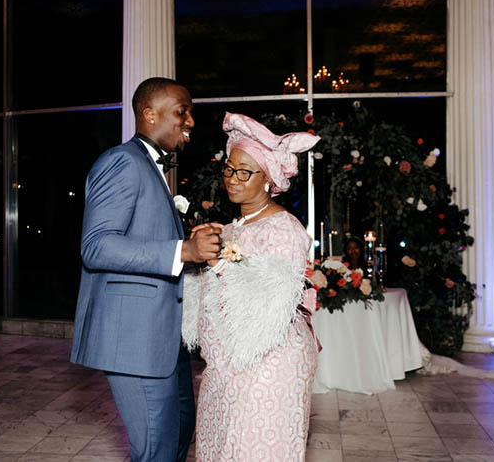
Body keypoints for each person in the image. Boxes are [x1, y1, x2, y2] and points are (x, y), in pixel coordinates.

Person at [70, 77, 222, 462]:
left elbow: (142, 239)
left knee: (176, 439)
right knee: (155, 452)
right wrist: (183, 249)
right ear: (150, 114)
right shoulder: (122, 161)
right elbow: (96, 246)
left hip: (164, 339)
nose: (190, 121)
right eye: (182, 110)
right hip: (135, 342)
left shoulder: (153, 168)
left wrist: (191, 243)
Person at [181, 112, 321, 461]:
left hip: (268, 366)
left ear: (269, 178)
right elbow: (210, 293)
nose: (233, 178)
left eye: (245, 172)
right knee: (221, 448)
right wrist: (200, 252)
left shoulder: (284, 229)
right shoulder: (231, 227)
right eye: (229, 168)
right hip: (226, 367)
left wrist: (220, 262)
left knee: (253, 449)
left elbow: (274, 302)